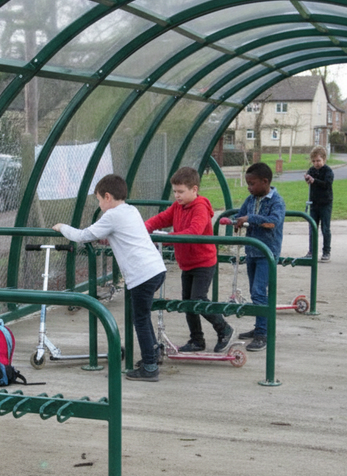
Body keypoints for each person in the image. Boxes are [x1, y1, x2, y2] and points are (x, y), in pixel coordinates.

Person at [53, 174, 166, 381]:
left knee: (140, 319)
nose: (99, 205)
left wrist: (62, 228)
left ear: (107, 197)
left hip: (141, 274)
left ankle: (150, 367)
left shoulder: (112, 216)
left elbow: (83, 235)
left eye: (98, 200)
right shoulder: (131, 210)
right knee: (143, 315)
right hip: (156, 269)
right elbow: (121, 235)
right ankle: (152, 353)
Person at [144, 167, 234, 353]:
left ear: (194, 189)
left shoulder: (200, 207)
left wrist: (166, 239)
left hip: (203, 262)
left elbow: (194, 231)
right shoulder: (178, 206)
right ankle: (196, 340)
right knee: (187, 303)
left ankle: (224, 328)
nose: (177, 196)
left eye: (181, 191)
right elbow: (161, 219)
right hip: (187, 263)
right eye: (175, 191)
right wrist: (144, 228)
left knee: (197, 299)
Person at [234, 162, 286, 351]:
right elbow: (241, 214)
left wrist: (250, 219)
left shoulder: (276, 201)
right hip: (252, 252)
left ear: (265, 181)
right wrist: (235, 221)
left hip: (267, 253)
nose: (249, 187)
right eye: (248, 183)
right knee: (254, 292)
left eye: (252, 183)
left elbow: (273, 222)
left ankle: (263, 333)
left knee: (258, 292)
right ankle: (259, 326)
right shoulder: (250, 200)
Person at [304, 145, 334, 261]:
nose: (316, 163)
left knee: (325, 228)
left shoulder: (328, 171)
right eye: (314, 161)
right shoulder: (311, 170)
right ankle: (311, 251)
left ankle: (326, 251)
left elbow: (327, 184)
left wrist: (314, 181)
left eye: (318, 161)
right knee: (312, 228)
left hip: (325, 203)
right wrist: (307, 179)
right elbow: (310, 181)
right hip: (314, 203)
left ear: (324, 159)